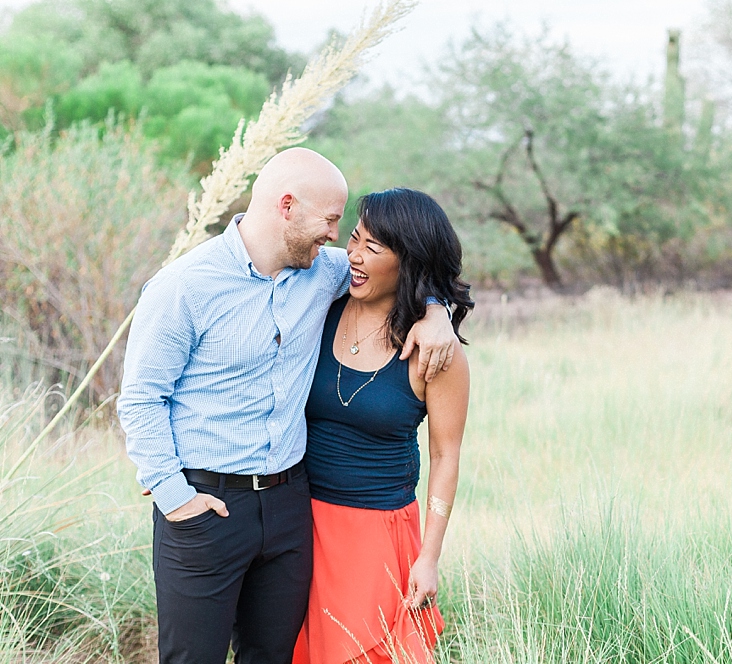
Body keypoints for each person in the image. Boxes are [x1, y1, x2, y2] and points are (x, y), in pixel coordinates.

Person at [117, 149, 458, 664]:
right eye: (330, 219)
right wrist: (174, 498)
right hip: (205, 505)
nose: (336, 236)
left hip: (289, 508)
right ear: (287, 206)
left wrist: (437, 312)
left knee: (275, 655)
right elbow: (141, 399)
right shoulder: (182, 287)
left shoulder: (323, 272)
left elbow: (404, 267)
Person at [292, 188, 472, 664]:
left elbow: (445, 456)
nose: (352, 254)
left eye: (372, 248)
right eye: (353, 239)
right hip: (299, 522)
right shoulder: (322, 307)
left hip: (376, 535)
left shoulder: (436, 351)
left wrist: (429, 557)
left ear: (408, 260)